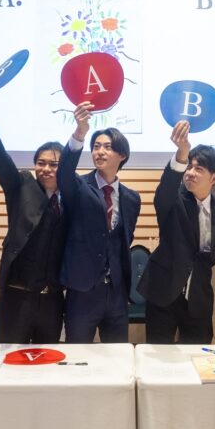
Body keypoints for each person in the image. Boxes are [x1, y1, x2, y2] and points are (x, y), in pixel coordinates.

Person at [0, 85, 66, 344]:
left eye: (53, 164)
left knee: (48, 357)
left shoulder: (71, 197)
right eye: (41, 163)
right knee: (8, 356)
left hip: (52, 299)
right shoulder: (21, 185)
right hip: (16, 296)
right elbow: (0, 159)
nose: (46, 169)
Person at [138, 121, 215, 344]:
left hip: (199, 300)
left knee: (198, 356)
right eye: (189, 167)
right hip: (162, 294)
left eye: (198, 169)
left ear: (214, 178)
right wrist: (181, 153)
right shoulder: (173, 200)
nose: (190, 173)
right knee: (158, 356)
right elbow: (165, 190)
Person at [57, 102, 141, 343]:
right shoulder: (79, 186)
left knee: (116, 355)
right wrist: (80, 132)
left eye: (107, 147)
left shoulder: (131, 198)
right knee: (77, 353)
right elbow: (63, 173)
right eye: (96, 147)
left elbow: (125, 239)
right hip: (82, 290)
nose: (100, 152)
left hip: (116, 292)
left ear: (122, 155)